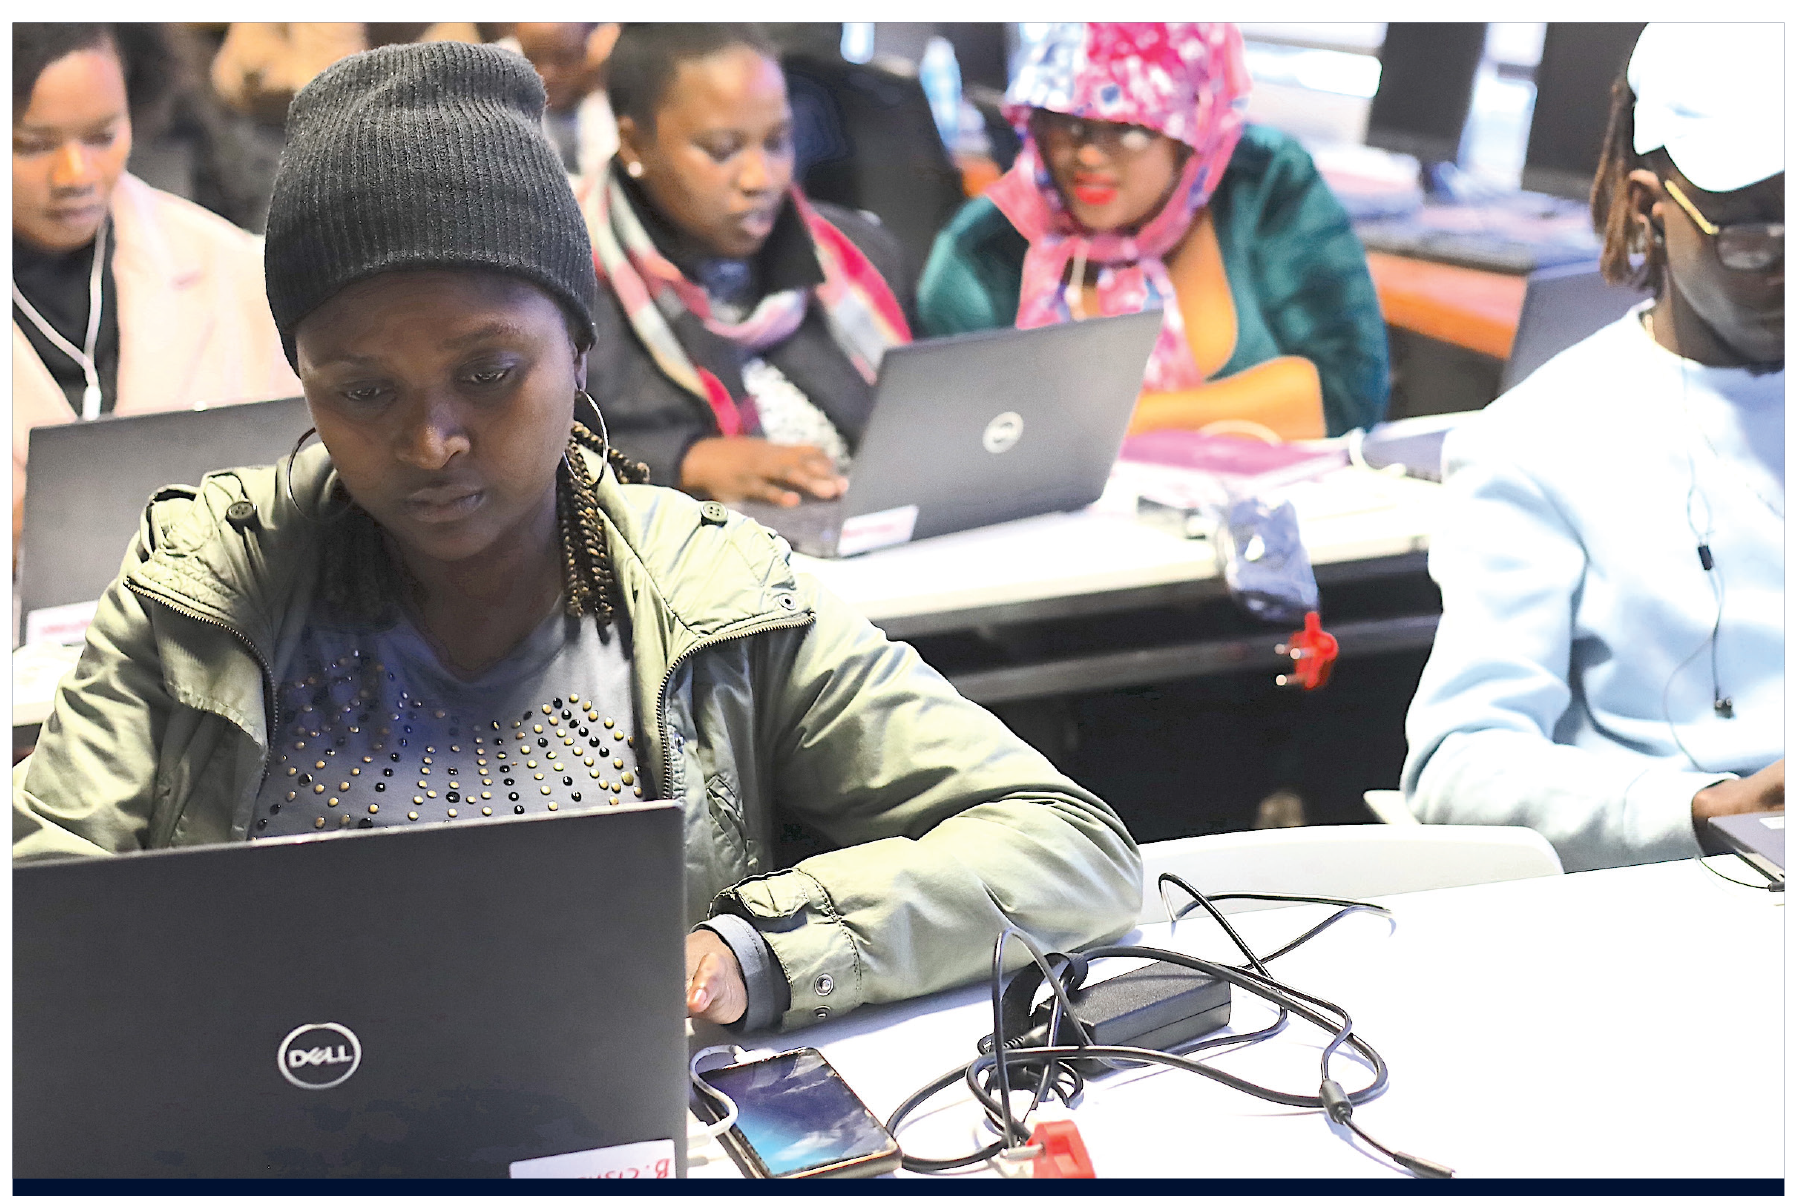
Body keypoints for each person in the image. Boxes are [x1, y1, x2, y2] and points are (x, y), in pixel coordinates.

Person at [11, 41, 1140, 1034]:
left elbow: (1068, 844)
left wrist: (762, 951)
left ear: (580, 351)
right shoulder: (201, 592)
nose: (432, 440)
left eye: (489, 374)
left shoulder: (713, 594)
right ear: (301, 383)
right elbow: (36, 919)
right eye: (362, 391)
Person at [1402, 24, 1783, 871]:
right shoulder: (1538, 444)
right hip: (1689, 876)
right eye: (1756, 238)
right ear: (1652, 208)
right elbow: (1455, 767)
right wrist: (1702, 810)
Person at [917, 22, 1389, 440]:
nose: (1089, 156)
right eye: (1065, 122)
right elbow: (955, 444)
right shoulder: (981, 253)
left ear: (1195, 134)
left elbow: (1347, 396)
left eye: (1130, 129)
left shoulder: (1262, 182)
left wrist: (1134, 419)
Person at [578, 23, 913, 507]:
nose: (762, 179)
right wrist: (683, 461)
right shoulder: (567, 292)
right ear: (634, 145)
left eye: (778, 141)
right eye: (722, 150)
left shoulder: (859, 254)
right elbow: (536, 459)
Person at [11, 22, 299, 545]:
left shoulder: (232, 270)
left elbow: (298, 481)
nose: (75, 174)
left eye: (102, 136)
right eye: (31, 146)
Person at [510, 22, 620, 183]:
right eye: (531, 57)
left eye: (563, 57)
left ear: (593, 48)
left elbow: (603, 183)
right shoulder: (514, 108)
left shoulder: (614, 92)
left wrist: (595, 90)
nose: (545, 74)